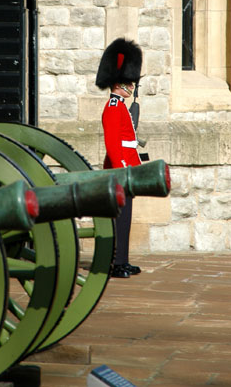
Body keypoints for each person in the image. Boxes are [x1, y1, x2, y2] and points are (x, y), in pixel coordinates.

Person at [95, 37, 143, 278]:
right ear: (119, 83)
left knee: (125, 220)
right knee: (118, 220)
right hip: (120, 170)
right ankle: (115, 262)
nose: (131, 86)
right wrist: (122, 169)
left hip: (128, 169)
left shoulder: (122, 106)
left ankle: (122, 260)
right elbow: (113, 145)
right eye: (128, 82)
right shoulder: (113, 108)